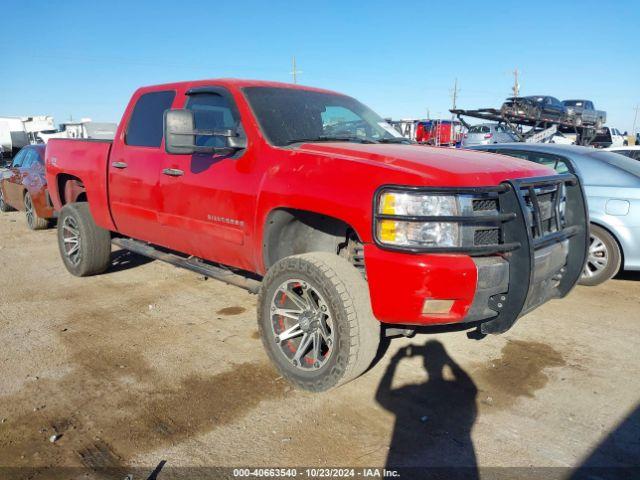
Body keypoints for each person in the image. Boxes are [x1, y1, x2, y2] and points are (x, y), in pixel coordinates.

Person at [375, 341, 479, 478]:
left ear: (424, 365)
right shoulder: (455, 391)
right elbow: (471, 388)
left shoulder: (412, 392)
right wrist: (446, 357)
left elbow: (382, 397)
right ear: (443, 363)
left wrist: (395, 361)